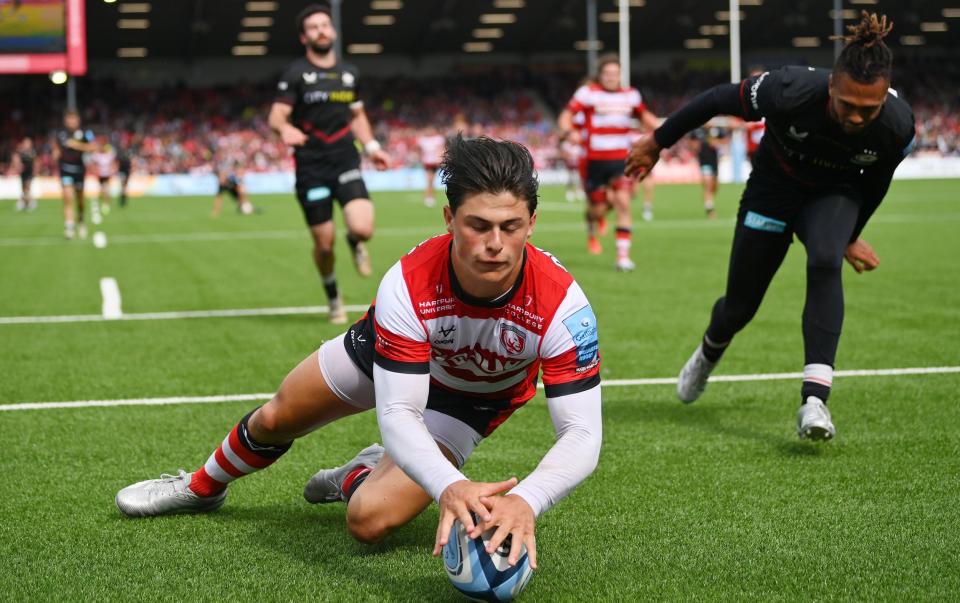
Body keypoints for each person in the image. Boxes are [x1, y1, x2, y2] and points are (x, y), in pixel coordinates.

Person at [115, 136, 603, 571]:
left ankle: (359, 474)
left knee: (368, 521)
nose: (495, 244)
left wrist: (527, 500)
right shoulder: (409, 284)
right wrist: (449, 486)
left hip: (470, 400)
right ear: (449, 218)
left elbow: (582, 432)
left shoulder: (564, 306)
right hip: (383, 356)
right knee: (275, 418)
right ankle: (201, 487)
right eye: (478, 225)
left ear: (533, 223)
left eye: (511, 226)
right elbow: (397, 411)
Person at [626, 12, 915, 440]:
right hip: (773, 189)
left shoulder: (897, 127)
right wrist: (657, 142)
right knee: (740, 307)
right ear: (831, 86)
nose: (856, 118)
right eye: (847, 105)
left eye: (867, 110)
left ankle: (814, 400)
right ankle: (709, 352)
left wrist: (850, 235)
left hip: (832, 194)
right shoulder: (789, 89)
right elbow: (714, 100)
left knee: (824, 258)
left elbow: (875, 186)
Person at [267, 3, 390, 324]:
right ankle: (334, 297)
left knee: (363, 228)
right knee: (324, 245)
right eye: (313, 27)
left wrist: (373, 146)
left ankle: (355, 241)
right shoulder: (296, 74)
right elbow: (276, 116)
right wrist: (286, 128)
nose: (321, 30)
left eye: (325, 25)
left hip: (345, 158)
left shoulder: (350, 74)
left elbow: (357, 114)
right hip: (311, 167)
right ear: (304, 37)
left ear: (332, 31)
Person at [558, 54, 660, 270]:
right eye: (607, 73)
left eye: (615, 73)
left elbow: (646, 117)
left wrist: (666, 130)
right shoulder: (587, 93)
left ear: (620, 75)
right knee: (598, 209)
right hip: (593, 161)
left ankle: (622, 257)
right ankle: (593, 226)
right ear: (601, 75)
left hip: (619, 159)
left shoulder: (631, 95)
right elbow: (565, 116)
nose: (612, 77)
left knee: (623, 202)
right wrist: (568, 132)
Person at [53, 110, 97, 240]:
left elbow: (94, 147)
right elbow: (56, 149)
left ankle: (81, 220)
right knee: (67, 197)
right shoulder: (60, 134)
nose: (71, 121)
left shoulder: (86, 133)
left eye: (74, 118)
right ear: (65, 120)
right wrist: (55, 154)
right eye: (69, 118)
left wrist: (76, 145)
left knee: (80, 200)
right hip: (65, 169)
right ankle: (69, 227)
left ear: (78, 120)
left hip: (79, 170)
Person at [690, 126, 725, 219]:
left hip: (714, 162)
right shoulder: (697, 132)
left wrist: (717, 143)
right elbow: (691, 143)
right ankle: (710, 209)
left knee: (715, 187)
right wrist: (695, 147)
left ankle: (707, 197)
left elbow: (724, 141)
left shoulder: (716, 130)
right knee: (707, 185)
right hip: (704, 162)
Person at [416, 125, 446, 208]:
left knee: (432, 181)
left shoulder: (438, 139)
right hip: (427, 162)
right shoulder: (423, 140)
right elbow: (419, 150)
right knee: (429, 180)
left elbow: (441, 149)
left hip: (435, 162)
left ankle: (430, 197)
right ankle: (429, 197)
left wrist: (441, 158)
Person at [89, 137, 117, 223]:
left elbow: (113, 164)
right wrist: (95, 171)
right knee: (102, 189)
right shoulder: (96, 155)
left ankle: (106, 204)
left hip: (107, 175)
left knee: (106, 189)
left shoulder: (110, 154)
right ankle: (105, 201)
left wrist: (113, 170)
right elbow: (93, 164)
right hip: (100, 175)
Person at [11, 136, 36, 212]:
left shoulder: (32, 152)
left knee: (27, 187)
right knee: (23, 189)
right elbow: (16, 158)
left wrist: (35, 171)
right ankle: (26, 203)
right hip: (23, 173)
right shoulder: (20, 152)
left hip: (29, 173)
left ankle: (29, 203)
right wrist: (17, 165)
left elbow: (35, 162)